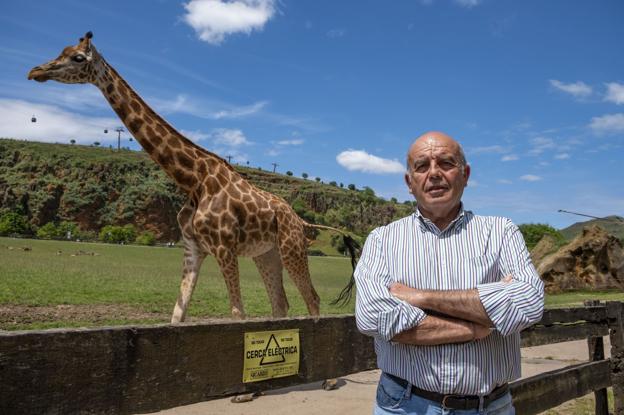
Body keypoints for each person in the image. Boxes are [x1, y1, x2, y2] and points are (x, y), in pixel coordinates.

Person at [354, 131, 544, 414]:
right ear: (410, 182)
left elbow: (528, 304)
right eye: (422, 166)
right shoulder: (382, 240)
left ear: (465, 174)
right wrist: (478, 326)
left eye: (446, 163)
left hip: (489, 406)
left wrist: (419, 297)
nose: (434, 173)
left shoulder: (501, 231)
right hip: (405, 404)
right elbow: (373, 318)